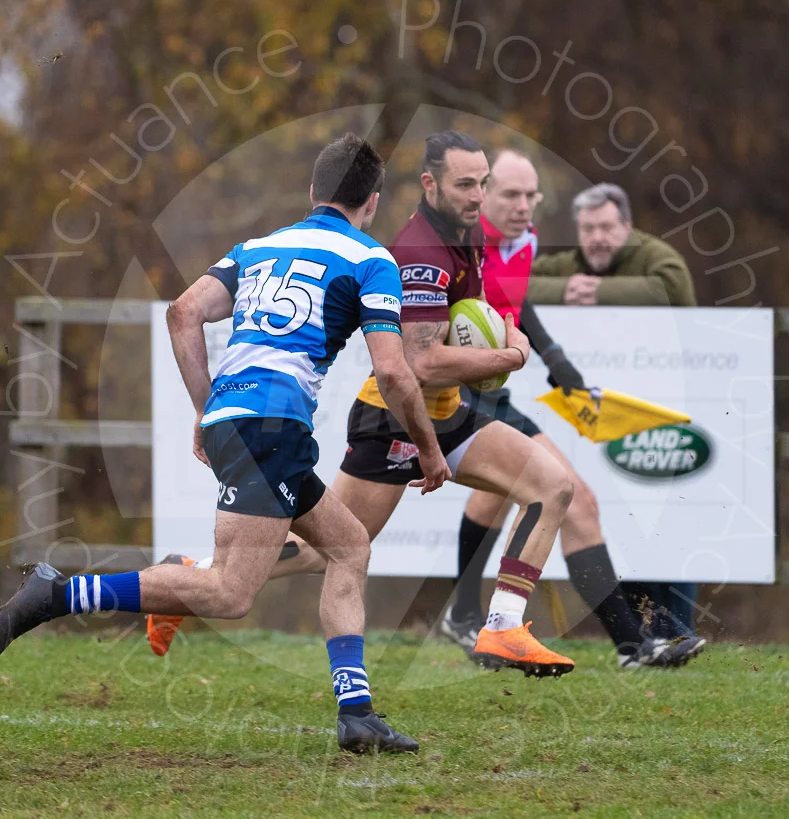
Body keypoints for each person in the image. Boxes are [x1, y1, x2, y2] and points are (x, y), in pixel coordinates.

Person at [0, 133, 449, 755]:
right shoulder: (372, 259)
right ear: (371, 202)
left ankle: (357, 713)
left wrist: (208, 411)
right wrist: (428, 446)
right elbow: (395, 373)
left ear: (313, 192)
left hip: (246, 419)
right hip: (273, 425)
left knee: (348, 545)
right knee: (232, 593)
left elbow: (182, 312)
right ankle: (60, 594)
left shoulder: (258, 248)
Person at [158, 132, 580, 678]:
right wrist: (509, 358)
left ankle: (503, 628)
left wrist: (498, 339)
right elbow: (420, 364)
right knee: (325, 550)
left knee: (552, 486)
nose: (478, 195)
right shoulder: (421, 254)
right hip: (394, 419)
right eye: (464, 184)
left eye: (483, 183)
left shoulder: (467, 233)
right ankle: (189, 576)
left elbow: (458, 330)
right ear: (429, 184)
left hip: (445, 413)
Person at [435, 151, 702, 668]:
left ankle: (624, 645)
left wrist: (556, 362)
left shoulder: (524, 240)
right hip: (450, 394)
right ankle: (626, 644)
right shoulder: (456, 241)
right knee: (566, 494)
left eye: (530, 195)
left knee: (534, 498)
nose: (522, 205)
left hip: (492, 393)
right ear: (482, 194)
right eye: (509, 194)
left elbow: (514, 300)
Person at [527, 183, 702, 644]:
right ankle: (645, 635)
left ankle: (677, 630)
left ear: (627, 225)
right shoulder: (568, 265)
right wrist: (568, 289)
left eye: (606, 227)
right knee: (616, 525)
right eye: (587, 229)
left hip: (660, 409)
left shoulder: (654, 255)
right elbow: (516, 284)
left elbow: (673, 288)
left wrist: (598, 292)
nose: (597, 238)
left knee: (668, 523)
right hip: (599, 418)